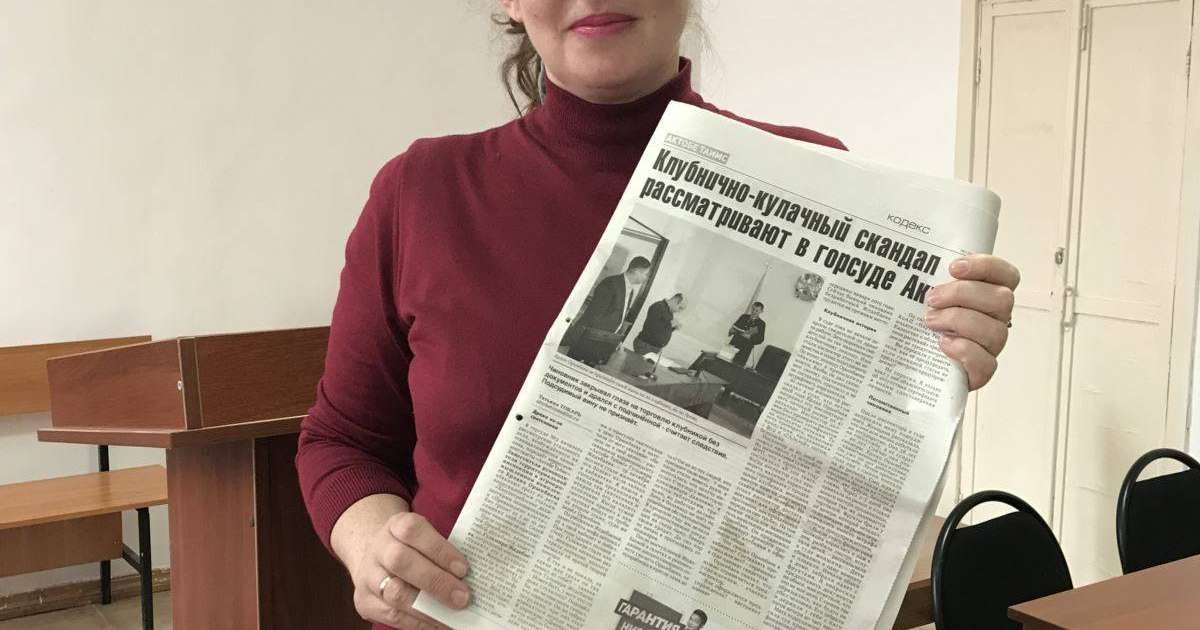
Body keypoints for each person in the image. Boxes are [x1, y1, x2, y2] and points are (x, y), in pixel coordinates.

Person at [295, 2, 1021, 628]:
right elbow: (340, 441)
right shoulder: (421, 193)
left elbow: (844, 470)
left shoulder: (821, 177)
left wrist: (941, 354)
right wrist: (372, 545)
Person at [567, 256, 651, 362]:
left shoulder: (631, 291)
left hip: (603, 343)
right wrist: (590, 344)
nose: (646, 278)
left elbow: (618, 318)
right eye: (646, 274)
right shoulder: (610, 283)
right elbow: (593, 314)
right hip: (588, 341)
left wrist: (615, 340)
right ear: (636, 271)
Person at [728, 301, 766, 366]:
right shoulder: (743, 317)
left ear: (761, 311)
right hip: (734, 344)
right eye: (753, 309)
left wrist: (750, 337)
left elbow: (760, 339)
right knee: (725, 361)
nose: (754, 312)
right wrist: (731, 331)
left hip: (745, 349)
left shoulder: (761, 324)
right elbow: (734, 327)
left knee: (737, 367)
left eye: (756, 310)